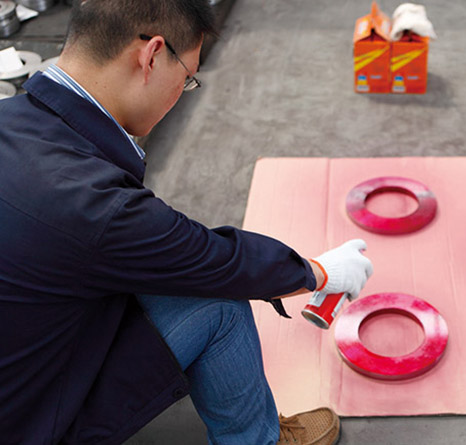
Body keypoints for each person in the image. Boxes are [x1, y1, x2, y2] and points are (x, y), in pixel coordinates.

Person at [0, 1, 373, 444]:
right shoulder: (92, 203)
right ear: (152, 55)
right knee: (216, 302)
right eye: (186, 79)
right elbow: (214, 262)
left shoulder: (11, 121)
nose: (182, 91)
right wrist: (319, 272)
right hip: (26, 424)